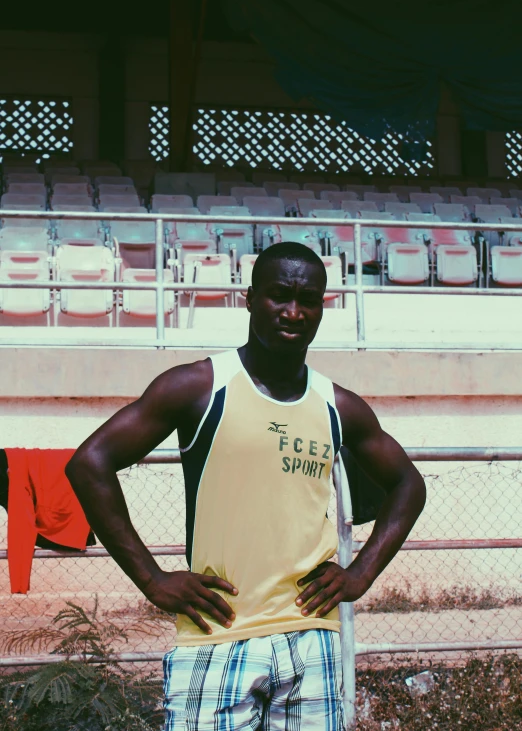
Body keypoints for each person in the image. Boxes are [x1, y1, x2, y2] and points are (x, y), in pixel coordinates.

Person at [66, 242, 426, 730]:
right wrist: (152, 579)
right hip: (217, 635)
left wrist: (360, 575)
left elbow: (408, 484)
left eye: (309, 299)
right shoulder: (198, 386)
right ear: (250, 297)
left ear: (324, 306)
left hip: (310, 636)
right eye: (280, 295)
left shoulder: (337, 405)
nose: (294, 311)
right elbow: (90, 464)